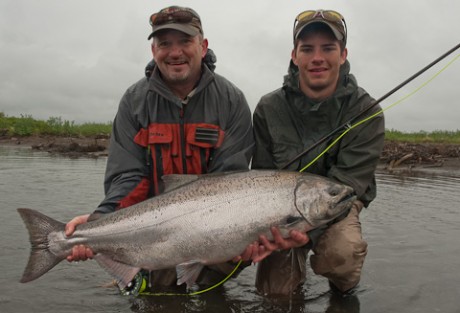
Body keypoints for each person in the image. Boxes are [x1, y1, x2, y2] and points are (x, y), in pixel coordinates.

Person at [64, 5, 254, 293]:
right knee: (161, 297)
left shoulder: (232, 101)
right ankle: (141, 273)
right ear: (154, 51)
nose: (175, 52)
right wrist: (99, 220)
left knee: (218, 287)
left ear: (202, 47)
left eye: (185, 41)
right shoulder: (134, 102)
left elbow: (230, 182)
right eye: (165, 43)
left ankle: (206, 282)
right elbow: (127, 178)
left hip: (216, 228)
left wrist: (245, 235)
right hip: (154, 232)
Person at [244, 9, 385, 296]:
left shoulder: (367, 111)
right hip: (278, 212)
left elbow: (348, 187)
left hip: (336, 204)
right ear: (295, 56)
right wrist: (281, 232)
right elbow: (260, 178)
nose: (317, 57)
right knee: (276, 296)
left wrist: (306, 230)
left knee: (341, 255)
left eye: (328, 48)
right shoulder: (268, 108)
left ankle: (343, 292)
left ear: (343, 54)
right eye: (307, 49)